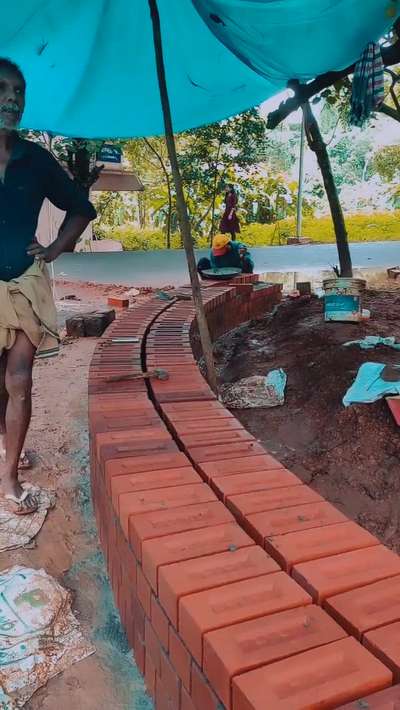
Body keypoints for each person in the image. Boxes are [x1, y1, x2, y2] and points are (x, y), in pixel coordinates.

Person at [0, 58, 96, 514]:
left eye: (18, 91)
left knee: (19, 378)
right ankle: (9, 447)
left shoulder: (36, 159)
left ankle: (9, 476)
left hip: (24, 283)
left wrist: (56, 247)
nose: (12, 99)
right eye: (2, 89)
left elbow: (80, 208)